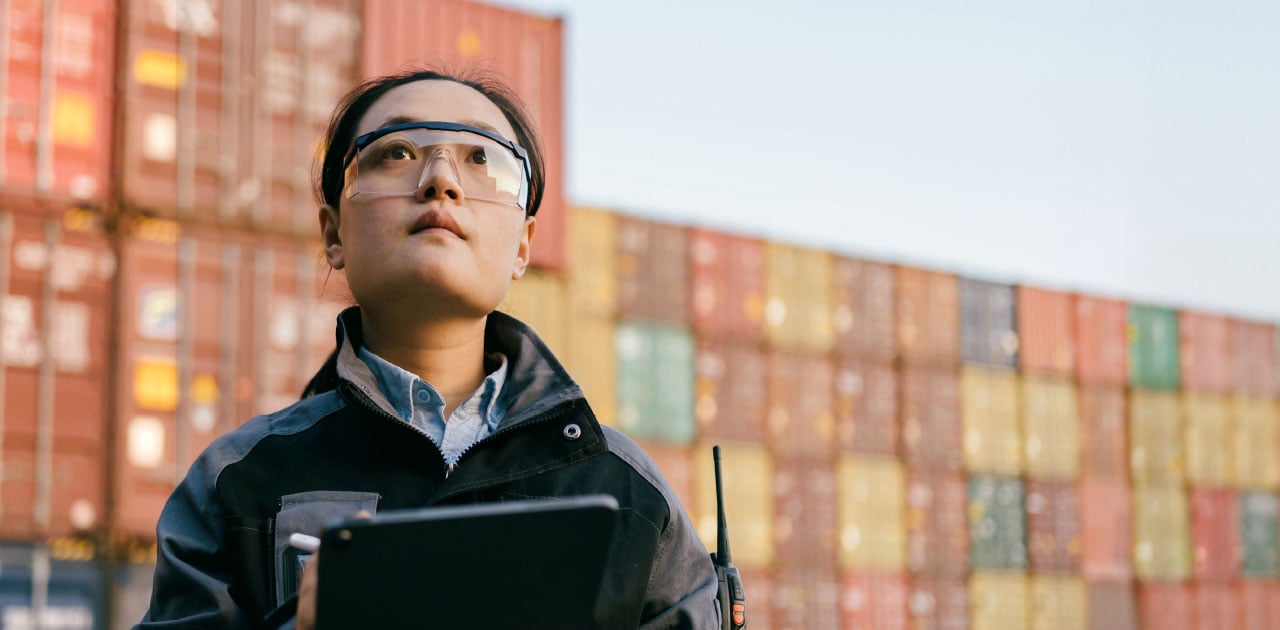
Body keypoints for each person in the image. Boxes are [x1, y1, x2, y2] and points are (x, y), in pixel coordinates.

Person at [138, 68, 721, 629]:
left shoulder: (629, 492)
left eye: (482, 159)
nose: (440, 180)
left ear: (523, 246)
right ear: (333, 233)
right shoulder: (234, 483)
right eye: (395, 153)